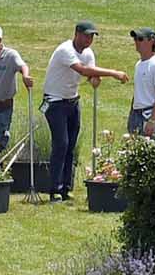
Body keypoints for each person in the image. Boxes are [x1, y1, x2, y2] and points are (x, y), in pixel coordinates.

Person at [40, 21, 122, 201]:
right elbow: (83, 70)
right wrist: (113, 73)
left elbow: (91, 75)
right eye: (86, 35)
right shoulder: (65, 50)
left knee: (70, 145)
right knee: (61, 143)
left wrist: (95, 80)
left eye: (92, 36)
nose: (89, 39)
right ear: (76, 33)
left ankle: (65, 188)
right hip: (55, 102)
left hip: (72, 101)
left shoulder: (88, 53)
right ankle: (54, 189)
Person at [126, 28, 155, 139]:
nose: (136, 42)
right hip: (136, 115)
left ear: (152, 41)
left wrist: (152, 120)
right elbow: (138, 93)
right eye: (135, 39)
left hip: (149, 114)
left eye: (140, 39)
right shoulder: (139, 64)